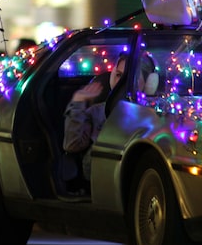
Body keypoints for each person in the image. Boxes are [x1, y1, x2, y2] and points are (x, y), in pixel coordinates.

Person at [63, 52, 154, 181]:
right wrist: (78, 102)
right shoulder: (96, 111)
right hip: (100, 177)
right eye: (118, 75)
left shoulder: (152, 116)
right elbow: (71, 145)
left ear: (148, 83)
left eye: (131, 77)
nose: (122, 82)